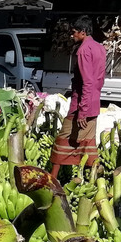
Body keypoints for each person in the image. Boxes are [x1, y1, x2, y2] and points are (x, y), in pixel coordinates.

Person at [49, 16, 105, 179]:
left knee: (62, 140)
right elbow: (99, 80)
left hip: (82, 104)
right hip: (94, 102)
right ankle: (96, 179)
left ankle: (52, 179)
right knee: (88, 142)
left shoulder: (83, 51)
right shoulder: (100, 48)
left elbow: (87, 82)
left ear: (83, 32)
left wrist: (82, 111)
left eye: (74, 32)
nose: (72, 36)